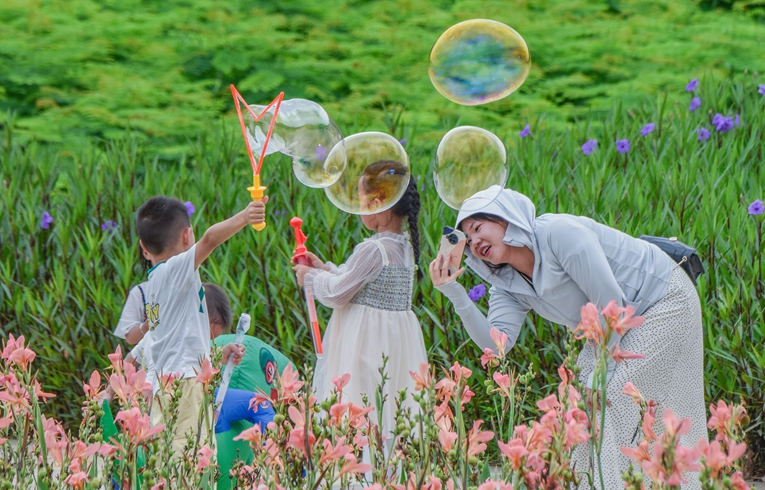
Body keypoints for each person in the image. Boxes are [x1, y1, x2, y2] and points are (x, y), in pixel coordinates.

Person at [429, 186, 707, 490]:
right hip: (610, 325)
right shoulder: (507, 283)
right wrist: (454, 293)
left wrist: (597, 379)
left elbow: (611, 302)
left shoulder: (559, 233)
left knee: (612, 396)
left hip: (661, 298)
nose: (475, 240)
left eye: (479, 227)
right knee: (584, 411)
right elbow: (497, 348)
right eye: (467, 238)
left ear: (506, 218)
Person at [292, 160, 427, 442]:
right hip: (394, 341)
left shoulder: (374, 248)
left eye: (361, 198)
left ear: (378, 203)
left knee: (363, 405)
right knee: (389, 407)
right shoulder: (405, 246)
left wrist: (310, 278)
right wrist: (325, 269)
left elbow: (338, 293)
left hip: (367, 342)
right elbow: (360, 283)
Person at [135, 195, 266, 454]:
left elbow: (175, 345)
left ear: (144, 247)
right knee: (192, 462)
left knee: (175, 461)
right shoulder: (175, 270)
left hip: (169, 385)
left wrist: (215, 354)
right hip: (185, 387)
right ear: (187, 236)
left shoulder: (155, 285)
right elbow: (210, 239)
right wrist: (245, 216)